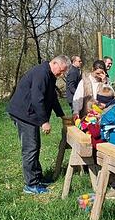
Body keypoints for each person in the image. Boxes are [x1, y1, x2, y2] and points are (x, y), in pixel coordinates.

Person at [6, 55, 70, 194]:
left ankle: (37, 177)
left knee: (35, 146)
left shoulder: (50, 74)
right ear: (54, 63)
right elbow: (37, 99)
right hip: (24, 114)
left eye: (64, 72)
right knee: (30, 148)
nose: (62, 74)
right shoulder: (41, 73)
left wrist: (61, 114)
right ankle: (31, 185)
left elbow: (51, 97)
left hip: (29, 113)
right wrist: (44, 122)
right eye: (61, 70)